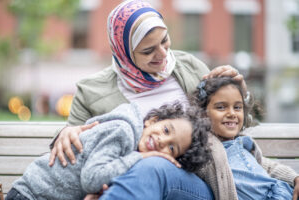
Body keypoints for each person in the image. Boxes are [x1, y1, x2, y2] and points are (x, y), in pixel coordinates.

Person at [49, 0, 244, 199]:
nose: (162, 54)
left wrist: (238, 95)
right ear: (123, 51)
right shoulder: (91, 91)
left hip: (193, 184)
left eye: (164, 40)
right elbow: (76, 152)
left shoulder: (190, 67)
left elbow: (230, 125)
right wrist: (66, 133)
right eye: (148, 51)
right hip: (129, 184)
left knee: (153, 165)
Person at [6, 102, 212, 200]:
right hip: (30, 195)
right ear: (152, 120)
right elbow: (91, 178)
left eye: (171, 148)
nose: (162, 141)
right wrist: (141, 156)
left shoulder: (131, 141)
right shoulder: (122, 131)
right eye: (166, 130)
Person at [190, 76, 299, 200]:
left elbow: (269, 167)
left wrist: (295, 178)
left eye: (237, 107)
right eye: (221, 107)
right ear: (203, 113)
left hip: (284, 193)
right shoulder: (207, 148)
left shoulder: (242, 144)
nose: (232, 113)